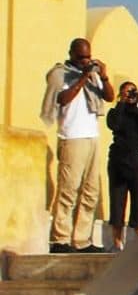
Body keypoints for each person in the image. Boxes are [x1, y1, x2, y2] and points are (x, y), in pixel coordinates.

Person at [40, 38, 116, 253]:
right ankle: (60, 239)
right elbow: (62, 99)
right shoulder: (61, 74)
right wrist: (82, 77)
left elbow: (109, 96)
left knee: (91, 191)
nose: (85, 61)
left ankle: (81, 239)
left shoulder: (94, 75)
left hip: (92, 136)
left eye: (88, 57)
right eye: (81, 57)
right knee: (68, 190)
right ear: (71, 54)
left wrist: (103, 76)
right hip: (72, 137)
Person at [105, 82, 138, 250]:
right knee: (117, 201)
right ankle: (116, 241)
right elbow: (115, 124)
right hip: (119, 162)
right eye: (126, 92)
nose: (130, 95)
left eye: (132, 92)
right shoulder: (115, 112)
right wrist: (121, 102)